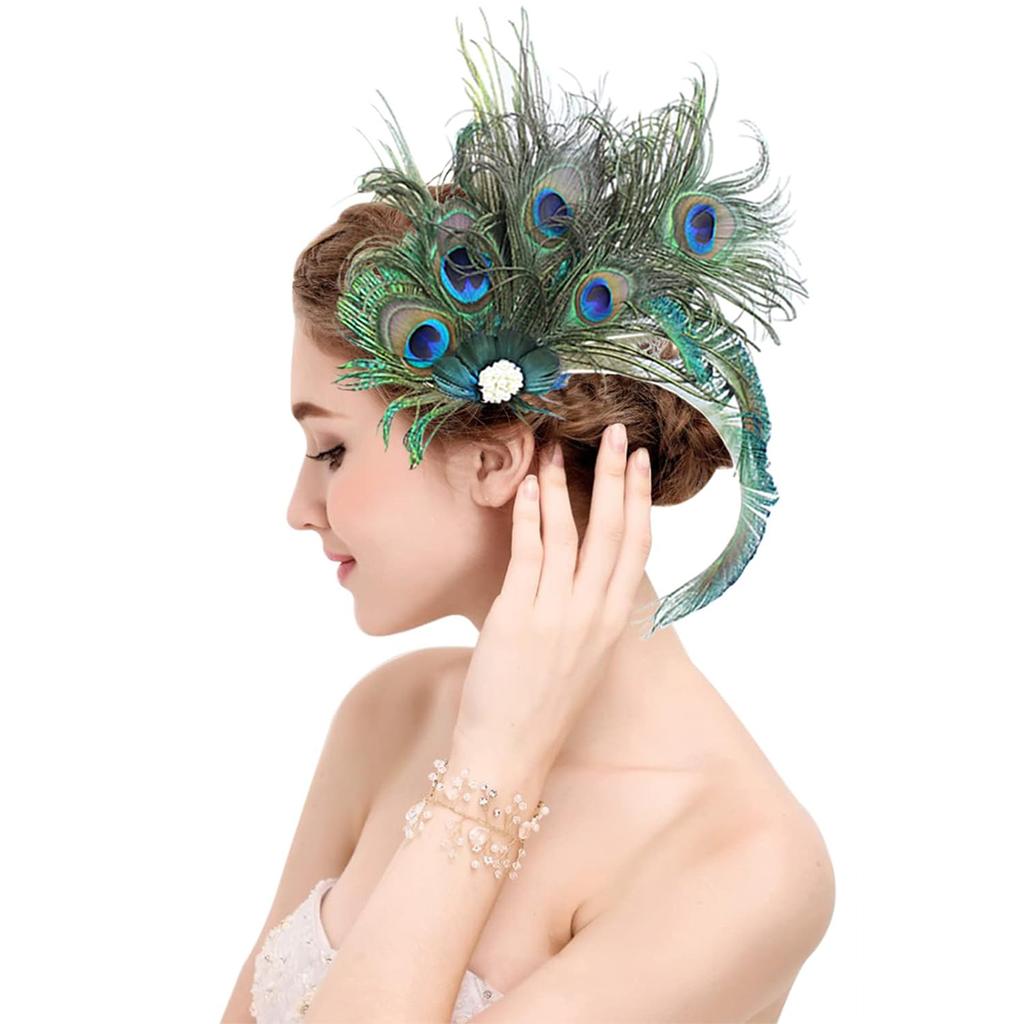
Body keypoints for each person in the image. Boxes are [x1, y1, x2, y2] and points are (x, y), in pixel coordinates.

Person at [221, 13, 834, 1023]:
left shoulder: (744, 860)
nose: (299, 508)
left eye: (332, 450)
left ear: (496, 457)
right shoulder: (390, 715)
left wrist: (496, 769)